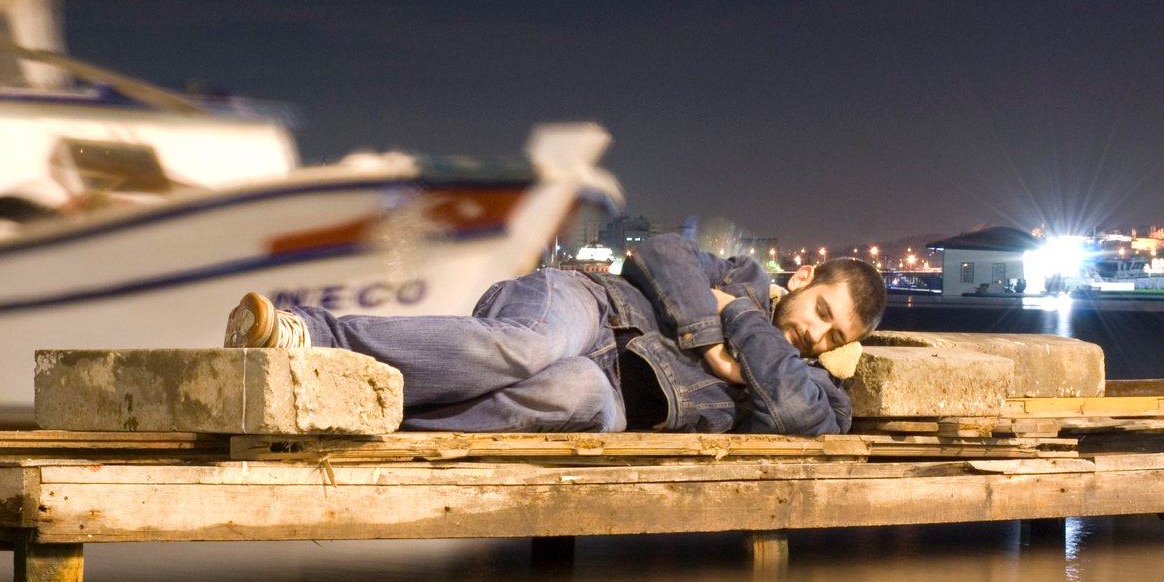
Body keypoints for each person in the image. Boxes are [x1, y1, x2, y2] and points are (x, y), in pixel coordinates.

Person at [224, 233, 887, 435]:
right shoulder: (741, 275)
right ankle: (307, 334)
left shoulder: (818, 390)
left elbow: (800, 414)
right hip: (589, 308)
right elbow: (660, 252)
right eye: (822, 311)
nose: (817, 336)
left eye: (835, 338)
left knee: (576, 395)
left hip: (608, 396)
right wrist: (717, 338)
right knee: (530, 346)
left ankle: (353, 405)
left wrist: (739, 325)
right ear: (803, 279)